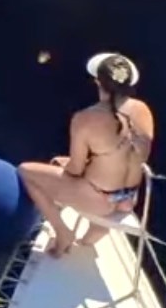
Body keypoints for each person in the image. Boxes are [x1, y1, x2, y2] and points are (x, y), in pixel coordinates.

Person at [18, 52, 155, 257]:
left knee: (25, 171)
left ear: (98, 82)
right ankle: (91, 238)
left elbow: (75, 170)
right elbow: (124, 153)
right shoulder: (143, 109)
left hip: (98, 199)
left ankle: (63, 233)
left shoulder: (85, 118)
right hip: (129, 198)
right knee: (98, 193)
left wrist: (66, 165)